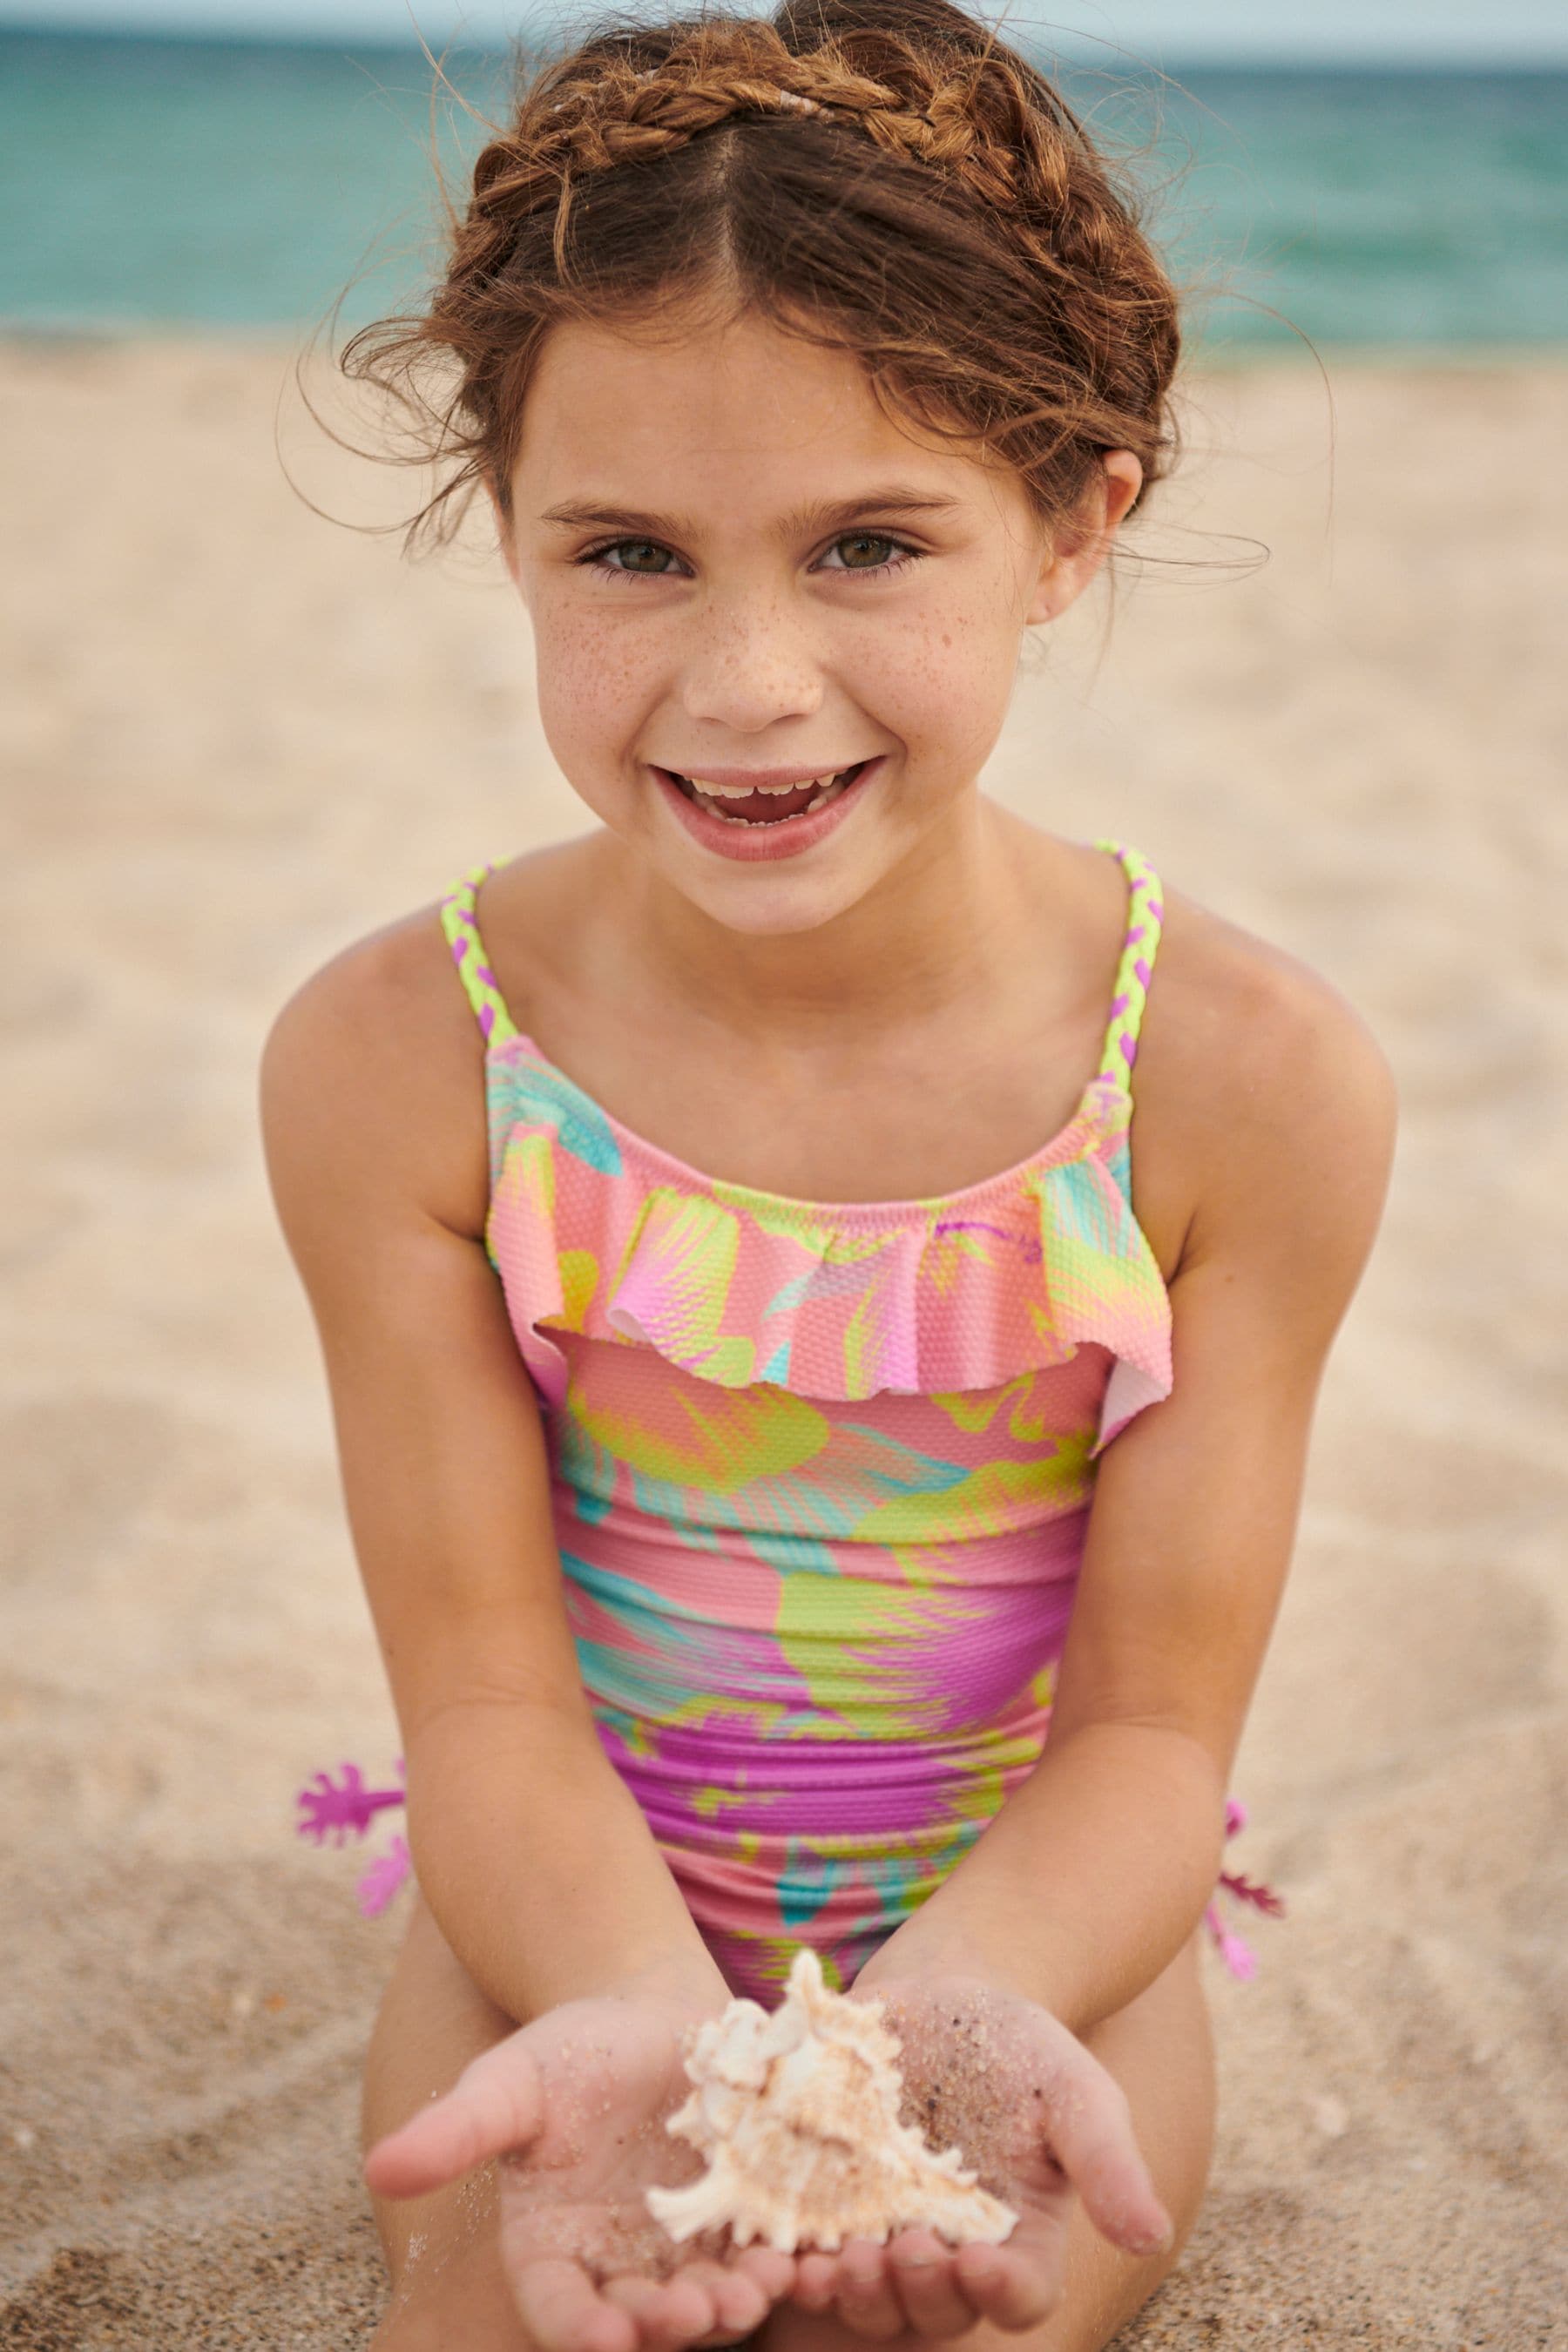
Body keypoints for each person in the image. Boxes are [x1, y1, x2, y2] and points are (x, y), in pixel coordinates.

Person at [260, 3, 1396, 2346]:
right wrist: (642, 2013)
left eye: (869, 541)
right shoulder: (404, 1061)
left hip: (1037, 1928)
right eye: (634, 554)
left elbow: (1156, 1733)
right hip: (563, 1921)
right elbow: (481, 1695)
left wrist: (929, 2022)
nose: (750, 678)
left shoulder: (1238, 1080)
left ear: (1076, 521)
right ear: (511, 532)